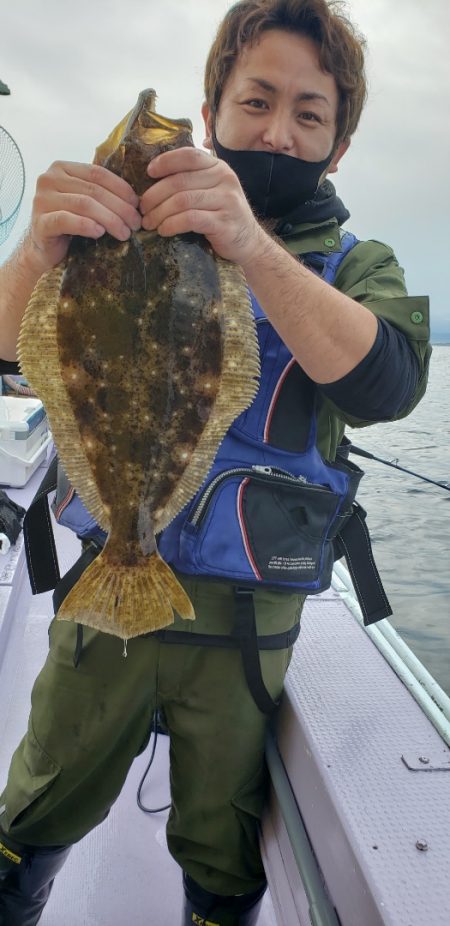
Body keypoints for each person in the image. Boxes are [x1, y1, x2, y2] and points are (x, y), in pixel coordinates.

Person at [0, 1, 431, 924]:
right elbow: (10, 354)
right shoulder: (115, 229)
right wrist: (40, 249)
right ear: (213, 111)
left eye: (308, 114)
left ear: (338, 144)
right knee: (35, 804)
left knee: (220, 836)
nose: (278, 129)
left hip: (247, 621)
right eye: (257, 100)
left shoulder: (359, 263)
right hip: (103, 590)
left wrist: (248, 242)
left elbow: (389, 385)